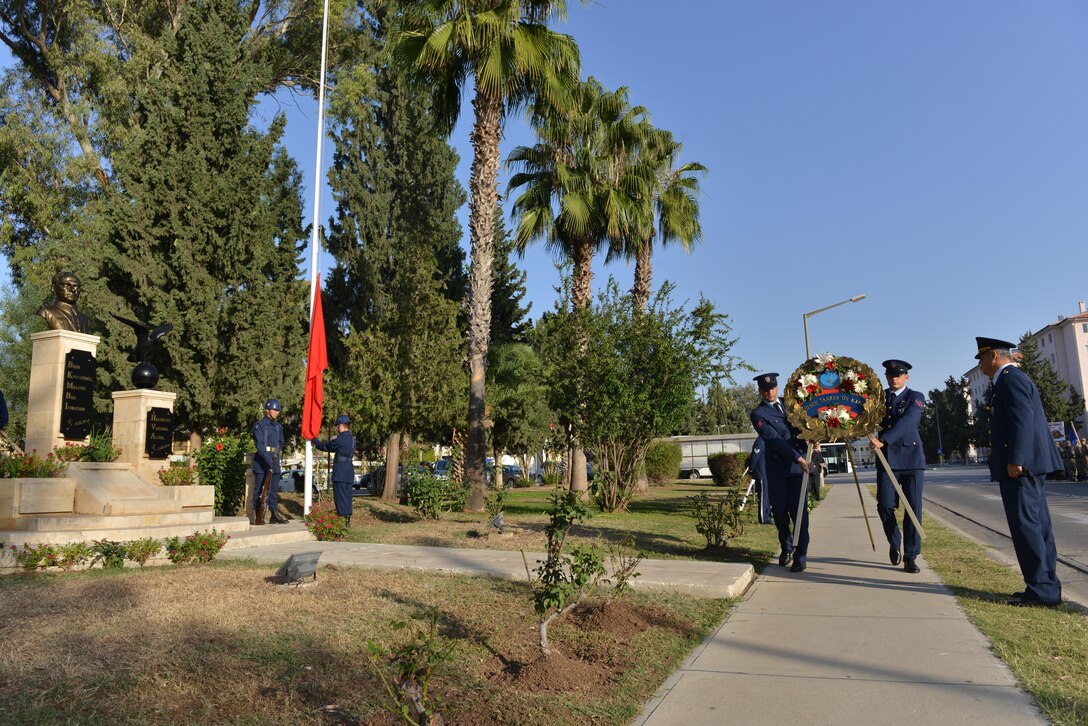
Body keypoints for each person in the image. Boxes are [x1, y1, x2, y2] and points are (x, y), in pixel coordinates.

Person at [976, 337, 1063, 607]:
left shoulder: (1010, 378)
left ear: (993, 356)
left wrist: (1017, 459)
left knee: (1027, 527)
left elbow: (1021, 420)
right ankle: (1043, 586)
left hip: (1020, 467)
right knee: (1037, 526)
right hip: (1027, 465)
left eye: (981, 359)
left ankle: (1042, 590)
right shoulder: (1010, 378)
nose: (980, 365)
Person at [750, 372, 813, 572]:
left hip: (797, 470)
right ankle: (786, 547)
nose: (770, 392)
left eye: (773, 388)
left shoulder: (794, 404)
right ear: (760, 391)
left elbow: (810, 424)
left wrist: (816, 437)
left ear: (777, 387)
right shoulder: (758, 414)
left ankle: (800, 555)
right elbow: (775, 440)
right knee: (779, 512)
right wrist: (799, 458)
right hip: (778, 469)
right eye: (765, 390)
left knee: (799, 513)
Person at [869, 359, 927, 574]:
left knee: (913, 510)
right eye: (890, 375)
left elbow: (909, 421)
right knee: (884, 505)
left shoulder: (916, 397)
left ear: (906, 377)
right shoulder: (879, 399)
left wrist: (885, 439)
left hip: (911, 460)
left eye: (898, 375)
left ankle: (911, 555)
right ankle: (895, 542)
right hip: (887, 461)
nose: (894, 378)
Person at [311, 414, 356, 525]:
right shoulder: (352, 439)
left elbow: (327, 447)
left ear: (341, 426)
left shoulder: (341, 439)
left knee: (340, 496)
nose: (337, 428)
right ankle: (347, 519)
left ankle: (342, 519)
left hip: (340, 471)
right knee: (347, 496)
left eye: (337, 426)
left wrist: (316, 442)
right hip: (349, 471)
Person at [252, 398, 286, 524]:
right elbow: (260, 446)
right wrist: (268, 460)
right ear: (267, 410)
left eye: (278, 410)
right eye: (275, 410)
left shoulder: (278, 427)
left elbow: (281, 443)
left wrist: (275, 459)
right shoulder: (259, 425)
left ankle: (274, 514)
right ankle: (258, 515)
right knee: (259, 490)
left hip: (274, 461)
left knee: (273, 490)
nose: (277, 412)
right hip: (262, 462)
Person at [747, 438, 772, 524]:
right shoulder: (761, 441)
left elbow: (754, 457)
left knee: (766, 497)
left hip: (766, 473)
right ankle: (763, 518)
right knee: (763, 497)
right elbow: (755, 457)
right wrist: (751, 469)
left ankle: (767, 515)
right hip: (762, 473)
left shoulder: (765, 440)